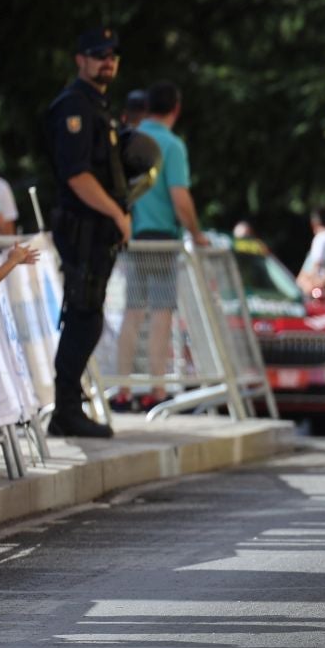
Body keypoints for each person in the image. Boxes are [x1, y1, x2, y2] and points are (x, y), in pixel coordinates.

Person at [43, 26, 130, 438]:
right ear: (81, 59)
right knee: (82, 316)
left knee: (88, 316)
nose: (106, 61)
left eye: (111, 54)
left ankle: (70, 406)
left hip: (97, 229)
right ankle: (65, 410)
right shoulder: (73, 106)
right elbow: (77, 176)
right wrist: (117, 213)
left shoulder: (98, 104)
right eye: (98, 54)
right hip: (82, 227)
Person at [112, 81, 203, 412]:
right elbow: (180, 197)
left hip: (132, 237)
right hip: (162, 239)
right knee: (161, 314)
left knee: (133, 313)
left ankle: (121, 387)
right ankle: (156, 387)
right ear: (175, 109)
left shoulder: (129, 141)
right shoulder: (171, 145)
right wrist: (197, 231)